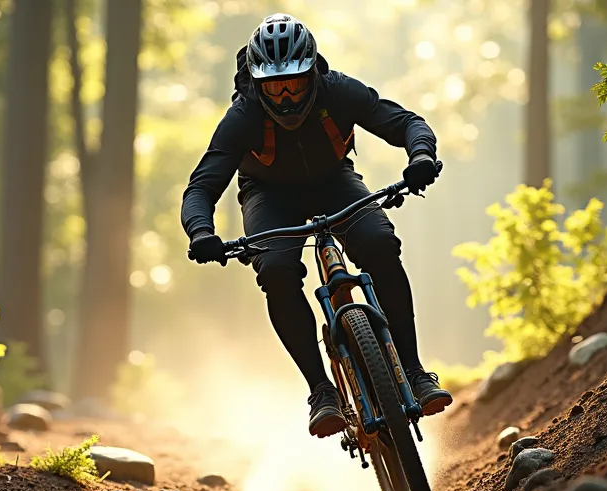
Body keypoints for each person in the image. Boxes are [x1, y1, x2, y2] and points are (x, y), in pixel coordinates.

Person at [180, 13, 452, 438]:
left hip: (335, 182)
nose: (286, 96)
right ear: (256, 81)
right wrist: (201, 232)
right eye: (274, 85)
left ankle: (414, 371)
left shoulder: (340, 91)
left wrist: (419, 156)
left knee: (380, 244)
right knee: (275, 271)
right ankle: (321, 392)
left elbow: (406, 122)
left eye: (295, 82)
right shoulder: (243, 115)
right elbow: (201, 186)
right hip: (268, 195)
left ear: (313, 71)